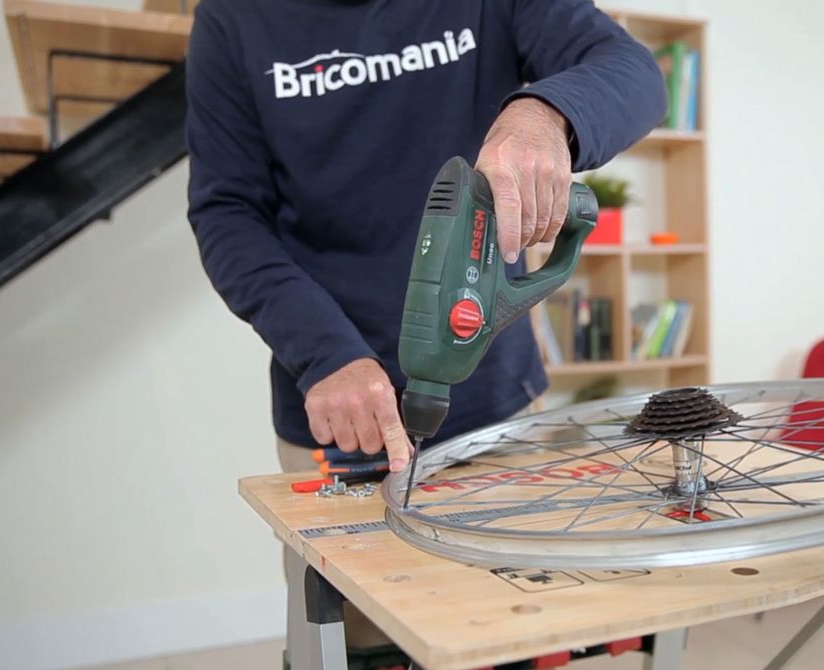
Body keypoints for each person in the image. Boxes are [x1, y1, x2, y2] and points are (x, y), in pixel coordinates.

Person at [185, 0, 666, 664]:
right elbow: (226, 211)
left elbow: (634, 73)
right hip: (339, 414)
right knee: (354, 646)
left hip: (497, 403)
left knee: (511, 632)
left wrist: (542, 115)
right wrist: (325, 354)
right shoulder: (234, 18)